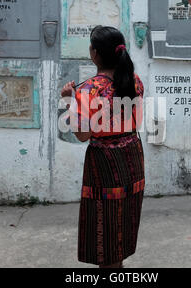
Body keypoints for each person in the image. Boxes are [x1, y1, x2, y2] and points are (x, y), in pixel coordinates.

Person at [60, 25, 145, 268]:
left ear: (95, 53)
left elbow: (82, 134)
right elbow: (132, 119)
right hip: (132, 158)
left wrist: (69, 100)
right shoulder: (134, 81)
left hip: (105, 165)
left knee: (105, 228)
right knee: (122, 225)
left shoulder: (89, 90)